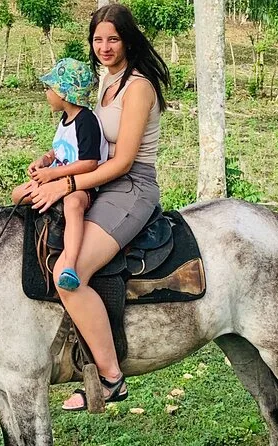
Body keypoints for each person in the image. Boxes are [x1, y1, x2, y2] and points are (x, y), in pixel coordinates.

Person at [29, 4, 170, 411]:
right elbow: (88, 141)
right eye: (97, 39)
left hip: (131, 187)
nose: (104, 47)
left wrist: (66, 184)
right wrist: (51, 162)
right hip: (101, 181)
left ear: (128, 40)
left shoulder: (138, 87)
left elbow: (123, 161)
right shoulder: (106, 80)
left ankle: (110, 378)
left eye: (113, 39)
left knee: (68, 273)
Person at [12, 58, 109, 291]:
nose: (46, 93)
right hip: (57, 178)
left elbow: (89, 163)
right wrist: (45, 160)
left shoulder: (86, 121)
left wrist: (53, 173)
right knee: (17, 194)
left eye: (49, 89)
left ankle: (70, 265)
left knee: (72, 204)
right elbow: (60, 149)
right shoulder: (66, 119)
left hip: (82, 184)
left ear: (64, 94)